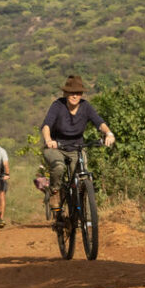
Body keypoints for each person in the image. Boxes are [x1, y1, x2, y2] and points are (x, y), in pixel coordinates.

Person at [40, 74, 115, 210]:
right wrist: (48, 140)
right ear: (65, 93)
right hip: (56, 147)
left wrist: (108, 133)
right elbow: (46, 126)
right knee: (58, 166)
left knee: (82, 176)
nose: (75, 96)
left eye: (78, 93)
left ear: (81, 94)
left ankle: (81, 208)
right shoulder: (57, 105)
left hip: (76, 147)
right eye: (71, 93)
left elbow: (99, 122)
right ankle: (55, 192)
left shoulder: (86, 107)